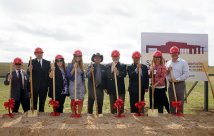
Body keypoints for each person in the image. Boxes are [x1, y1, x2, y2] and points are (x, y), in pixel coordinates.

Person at [166, 46, 189, 114]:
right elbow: (166, 74)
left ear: (178, 53)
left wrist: (177, 79)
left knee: (180, 100)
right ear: (170, 54)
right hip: (170, 84)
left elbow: (186, 74)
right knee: (171, 100)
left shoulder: (183, 62)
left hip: (179, 84)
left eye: (175, 53)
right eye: (172, 53)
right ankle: (172, 114)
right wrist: (167, 71)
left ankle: (179, 113)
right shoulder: (168, 63)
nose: (174, 54)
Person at [28, 47, 50, 112]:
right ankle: (34, 117)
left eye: (41, 53)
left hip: (44, 87)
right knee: (34, 104)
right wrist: (29, 70)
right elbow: (28, 73)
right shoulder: (32, 62)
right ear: (35, 54)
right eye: (38, 53)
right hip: (34, 87)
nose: (39, 54)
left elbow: (49, 74)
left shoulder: (47, 62)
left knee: (42, 104)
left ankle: (41, 116)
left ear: (42, 54)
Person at [105, 50, 127, 114]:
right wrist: (106, 87)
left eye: (116, 56)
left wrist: (117, 72)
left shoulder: (123, 65)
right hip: (111, 88)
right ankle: (113, 118)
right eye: (114, 56)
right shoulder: (108, 66)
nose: (115, 58)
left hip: (120, 88)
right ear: (112, 57)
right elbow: (106, 76)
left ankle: (121, 116)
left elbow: (124, 74)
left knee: (120, 105)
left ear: (119, 56)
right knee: (113, 106)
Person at [67, 50, 86, 115]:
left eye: (79, 56)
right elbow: (69, 76)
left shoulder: (82, 66)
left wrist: (85, 87)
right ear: (74, 56)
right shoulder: (70, 65)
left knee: (81, 100)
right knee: (73, 100)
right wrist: (73, 68)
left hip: (81, 86)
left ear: (81, 57)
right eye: (76, 56)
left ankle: (79, 113)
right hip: (73, 85)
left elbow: (83, 78)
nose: (78, 57)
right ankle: (73, 113)